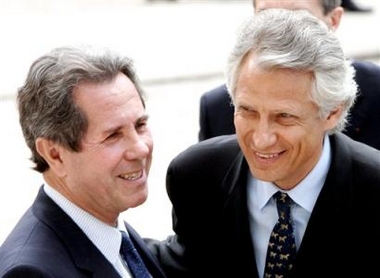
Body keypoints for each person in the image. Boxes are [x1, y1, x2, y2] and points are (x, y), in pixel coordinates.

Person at [147, 9, 380, 277]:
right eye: (248, 111)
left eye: (284, 117)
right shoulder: (197, 178)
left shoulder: (373, 192)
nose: (261, 138)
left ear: (332, 113)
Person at [0, 45, 166, 278]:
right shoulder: (31, 273)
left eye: (140, 125)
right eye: (113, 135)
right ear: (55, 155)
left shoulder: (112, 234)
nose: (140, 148)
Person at [198, 0, 380, 150]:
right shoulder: (218, 109)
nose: (281, 30)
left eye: (299, 17)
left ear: (333, 19)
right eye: (266, 16)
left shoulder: (376, 91)